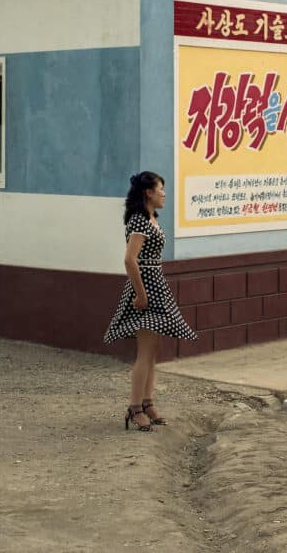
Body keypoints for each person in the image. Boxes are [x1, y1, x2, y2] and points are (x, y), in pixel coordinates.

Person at [103, 171, 197, 431]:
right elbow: (129, 259)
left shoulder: (152, 218)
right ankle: (134, 408)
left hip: (156, 284)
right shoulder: (139, 221)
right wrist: (141, 294)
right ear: (148, 192)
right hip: (145, 287)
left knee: (153, 351)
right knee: (145, 352)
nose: (164, 194)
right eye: (160, 189)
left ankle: (147, 402)